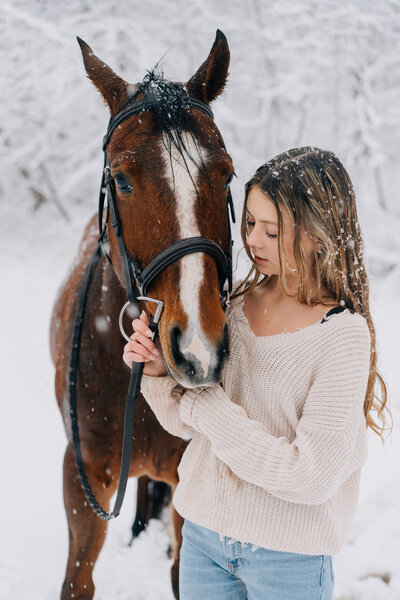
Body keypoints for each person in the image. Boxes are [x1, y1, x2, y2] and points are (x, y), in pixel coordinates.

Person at [123, 147, 390, 600]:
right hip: (203, 541)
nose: (254, 242)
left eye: (272, 230)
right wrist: (156, 374)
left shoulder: (342, 336)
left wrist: (202, 404)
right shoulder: (234, 308)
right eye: (249, 224)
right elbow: (186, 424)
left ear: (320, 235)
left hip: (288, 564)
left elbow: (310, 476)